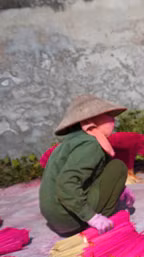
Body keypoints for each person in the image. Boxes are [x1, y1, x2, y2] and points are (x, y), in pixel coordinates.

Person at [39, 94, 135, 235]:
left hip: (56, 216)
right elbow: (67, 183)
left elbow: (92, 173)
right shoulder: (91, 145)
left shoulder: (74, 141)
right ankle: (94, 219)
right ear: (91, 121)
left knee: (110, 167)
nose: (113, 119)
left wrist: (121, 189)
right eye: (108, 115)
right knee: (117, 168)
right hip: (68, 218)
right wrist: (92, 217)